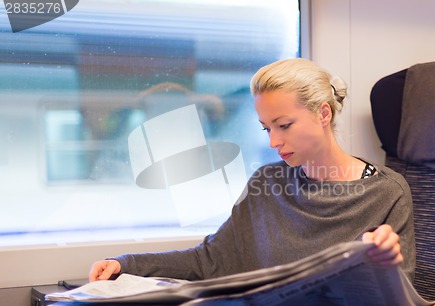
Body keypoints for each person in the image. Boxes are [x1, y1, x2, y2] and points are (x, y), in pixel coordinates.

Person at [89, 58, 415, 285]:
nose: (274, 141)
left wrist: (385, 265)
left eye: (284, 125)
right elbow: (210, 260)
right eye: (266, 128)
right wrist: (127, 265)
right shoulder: (267, 183)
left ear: (324, 113)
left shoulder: (386, 193)